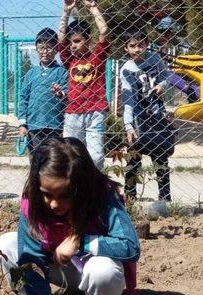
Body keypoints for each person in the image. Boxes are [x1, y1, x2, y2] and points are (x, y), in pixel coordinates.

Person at [0, 137, 140, 295]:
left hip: (93, 271)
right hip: (57, 269)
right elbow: (31, 259)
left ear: (82, 188)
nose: (54, 204)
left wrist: (81, 242)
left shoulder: (103, 198)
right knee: (6, 244)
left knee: (102, 269)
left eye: (65, 195)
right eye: (47, 194)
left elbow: (131, 247)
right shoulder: (33, 203)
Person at [120, 27, 175, 201]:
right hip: (137, 119)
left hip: (157, 116)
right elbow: (128, 100)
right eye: (133, 45)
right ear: (126, 48)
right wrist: (128, 126)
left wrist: (162, 85)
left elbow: (166, 76)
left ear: (147, 45)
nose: (137, 49)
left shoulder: (155, 59)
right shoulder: (126, 70)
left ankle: (165, 198)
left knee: (161, 159)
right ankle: (130, 198)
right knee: (133, 160)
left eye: (141, 45)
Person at [57, 0, 110, 170]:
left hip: (95, 111)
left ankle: (95, 186)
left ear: (88, 41)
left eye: (78, 41)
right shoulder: (69, 59)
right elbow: (60, 38)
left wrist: (93, 8)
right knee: (71, 155)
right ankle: (74, 188)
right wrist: (65, 13)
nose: (73, 45)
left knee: (96, 156)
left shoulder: (97, 57)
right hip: (73, 112)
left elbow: (104, 31)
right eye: (71, 42)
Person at [18, 28, 68, 156]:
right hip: (34, 126)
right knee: (35, 160)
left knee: (54, 160)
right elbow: (23, 98)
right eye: (41, 48)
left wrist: (60, 93)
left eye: (49, 48)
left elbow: (67, 94)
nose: (45, 52)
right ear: (36, 49)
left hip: (55, 126)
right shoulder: (31, 74)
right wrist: (23, 124)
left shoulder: (62, 72)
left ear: (56, 49)